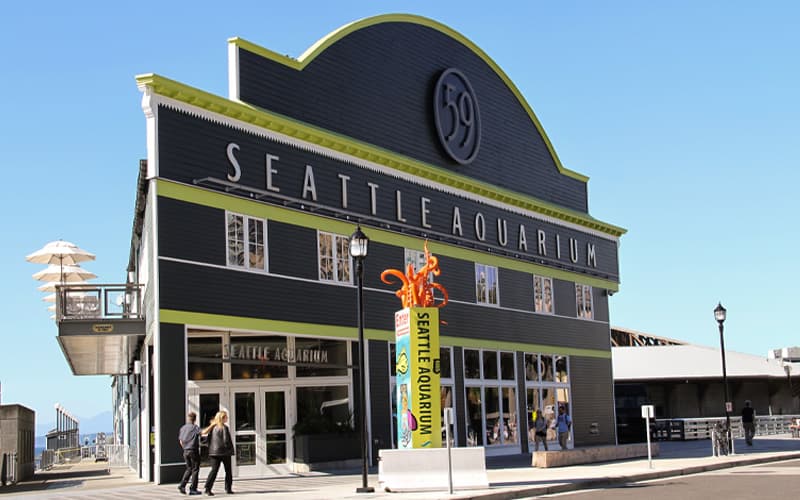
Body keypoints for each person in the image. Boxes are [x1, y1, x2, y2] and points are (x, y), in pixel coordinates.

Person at [202, 410, 234, 496]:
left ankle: (208, 488)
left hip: (214, 452)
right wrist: (230, 449)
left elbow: (205, 435)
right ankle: (228, 488)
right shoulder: (224, 428)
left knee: (214, 470)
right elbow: (226, 440)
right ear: (222, 418)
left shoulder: (212, 427)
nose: (227, 418)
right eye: (226, 417)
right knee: (228, 471)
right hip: (224, 452)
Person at [178, 411, 202, 495]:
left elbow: (181, 441)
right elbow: (203, 433)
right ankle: (193, 489)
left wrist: (185, 448)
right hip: (193, 450)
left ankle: (182, 485)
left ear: (188, 418)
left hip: (186, 451)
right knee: (195, 469)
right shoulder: (195, 428)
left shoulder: (183, 428)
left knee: (189, 468)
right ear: (195, 419)